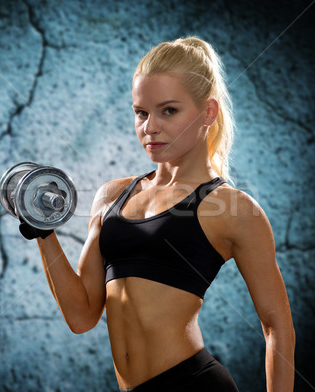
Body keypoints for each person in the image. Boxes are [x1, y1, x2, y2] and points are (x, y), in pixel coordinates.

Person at [19, 36, 295, 391]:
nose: (150, 127)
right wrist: (44, 232)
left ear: (208, 112)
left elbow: (277, 327)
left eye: (168, 110)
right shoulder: (111, 196)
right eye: (141, 112)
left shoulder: (233, 209)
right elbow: (81, 315)